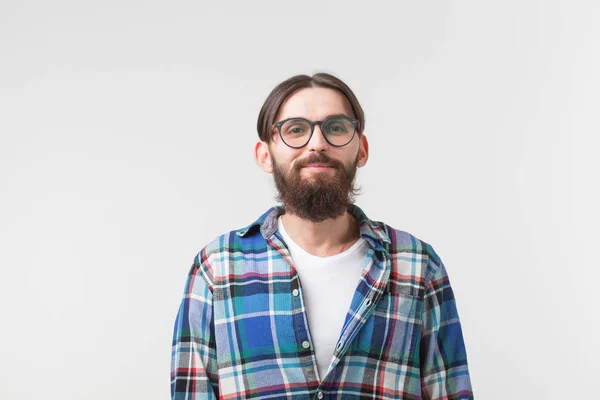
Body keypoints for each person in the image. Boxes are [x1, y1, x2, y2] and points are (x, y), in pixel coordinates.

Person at [170, 72, 474, 399]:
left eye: (336, 127)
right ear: (264, 155)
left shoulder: (418, 266)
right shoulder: (217, 268)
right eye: (296, 130)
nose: (318, 143)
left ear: (362, 149)